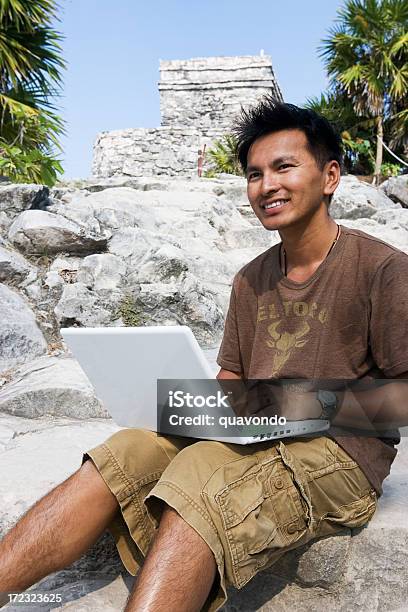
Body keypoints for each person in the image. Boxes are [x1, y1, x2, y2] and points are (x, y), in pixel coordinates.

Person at [1, 98, 408, 612]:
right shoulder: (250, 278)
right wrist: (201, 408)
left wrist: (297, 406)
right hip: (255, 435)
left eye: (284, 167)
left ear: (330, 176)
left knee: (202, 473)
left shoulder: (384, 270)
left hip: (341, 454)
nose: (267, 186)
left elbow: (403, 400)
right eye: (255, 174)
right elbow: (231, 375)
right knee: (123, 452)